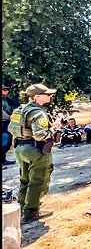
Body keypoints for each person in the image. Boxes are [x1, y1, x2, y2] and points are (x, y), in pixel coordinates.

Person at [8, 83, 63, 223]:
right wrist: (55, 128)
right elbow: (40, 135)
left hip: (20, 148)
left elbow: (11, 128)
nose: (50, 96)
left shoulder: (20, 110)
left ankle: (22, 208)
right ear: (37, 97)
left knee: (25, 179)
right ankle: (31, 211)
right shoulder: (38, 112)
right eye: (47, 94)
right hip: (35, 150)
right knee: (38, 180)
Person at [2, 86, 15, 167]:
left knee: (8, 142)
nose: (7, 91)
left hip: (6, 123)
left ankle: (3, 160)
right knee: (4, 142)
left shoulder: (4, 100)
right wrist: (11, 118)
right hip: (3, 123)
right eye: (5, 90)